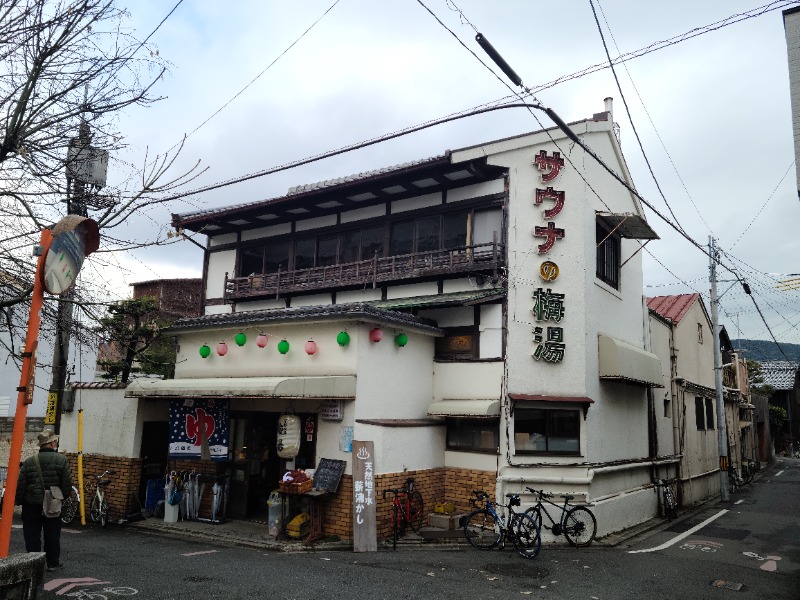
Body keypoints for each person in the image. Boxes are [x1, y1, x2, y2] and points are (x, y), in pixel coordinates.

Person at [15, 428, 73, 572]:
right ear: (53, 442)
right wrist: (62, 497)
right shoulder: (62, 460)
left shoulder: (29, 462)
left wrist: (19, 501)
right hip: (52, 503)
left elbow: (21, 484)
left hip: (31, 504)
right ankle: (53, 563)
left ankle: (34, 564)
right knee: (52, 534)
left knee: (32, 534)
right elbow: (67, 484)